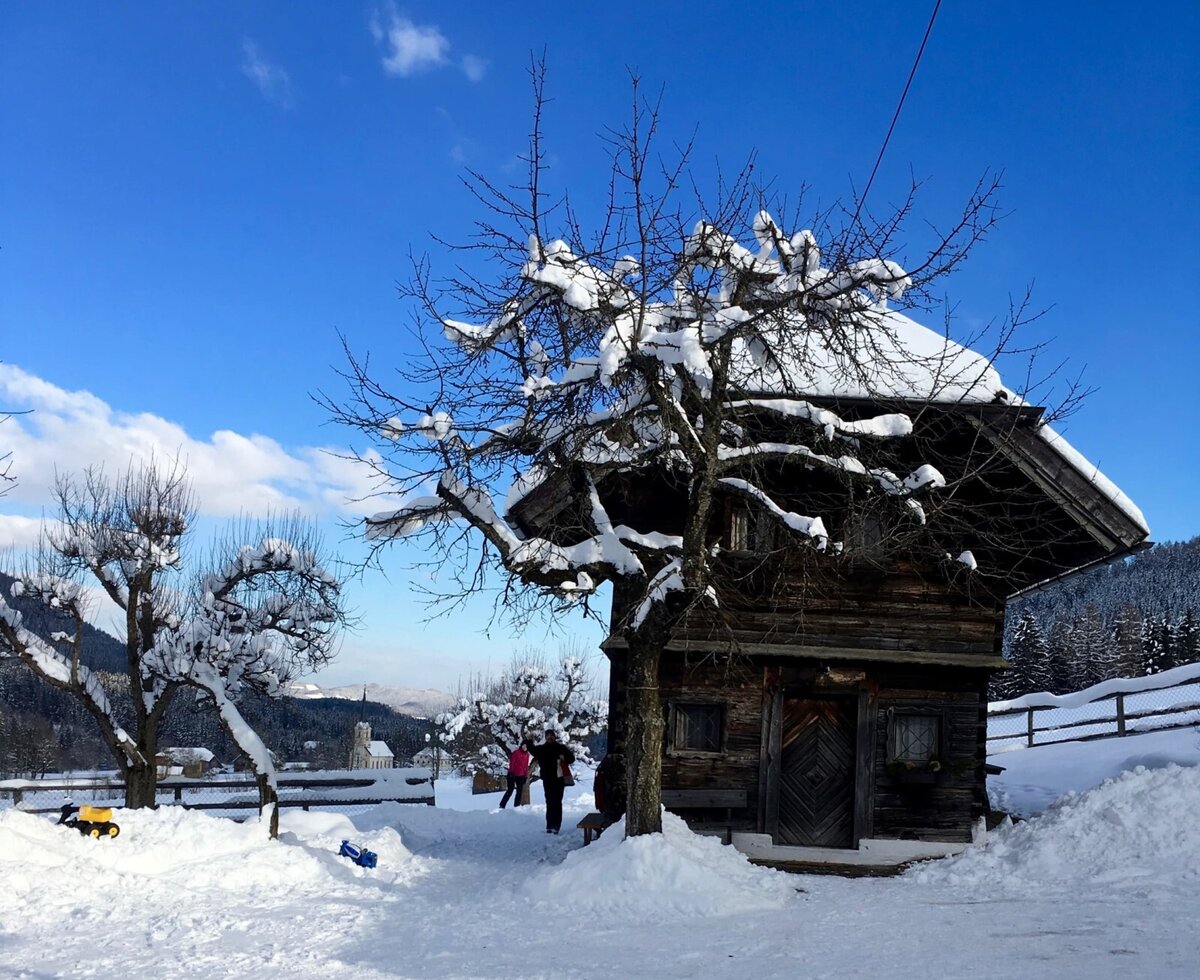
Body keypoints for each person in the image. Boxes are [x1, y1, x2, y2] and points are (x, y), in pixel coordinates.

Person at [528, 729, 575, 834]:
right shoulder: (543, 749)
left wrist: (564, 759)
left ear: (555, 737)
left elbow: (572, 758)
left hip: (559, 779)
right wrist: (529, 741)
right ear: (546, 738)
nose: (550, 738)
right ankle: (550, 825)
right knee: (550, 802)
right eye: (548, 736)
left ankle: (556, 825)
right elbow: (532, 750)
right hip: (548, 779)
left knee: (556, 802)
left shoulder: (561, 748)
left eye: (551, 736)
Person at [499, 739, 532, 809]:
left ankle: (516, 806)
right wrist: (511, 772)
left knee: (519, 792)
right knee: (510, 790)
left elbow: (526, 766)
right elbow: (512, 763)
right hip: (512, 774)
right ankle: (502, 805)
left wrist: (525, 776)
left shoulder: (527, 755)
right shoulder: (516, 752)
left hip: (521, 775)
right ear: (522, 745)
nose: (525, 747)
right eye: (524, 745)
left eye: (526, 746)